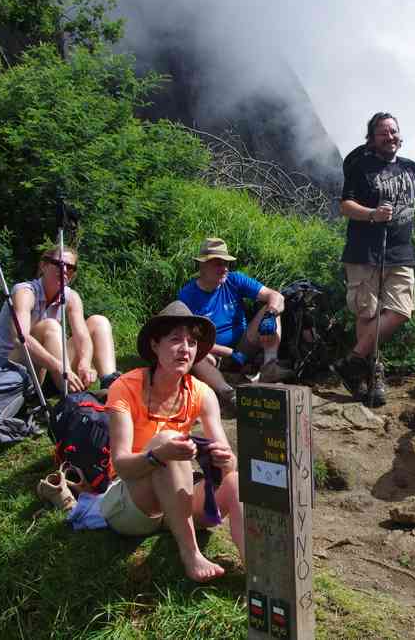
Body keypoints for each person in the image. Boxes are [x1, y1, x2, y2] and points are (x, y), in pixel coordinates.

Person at [101, 301, 244, 582]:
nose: (185, 349)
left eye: (191, 342)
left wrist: (225, 459)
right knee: (167, 442)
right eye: (175, 340)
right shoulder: (125, 387)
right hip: (132, 502)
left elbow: (229, 464)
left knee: (236, 481)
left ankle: (258, 574)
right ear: (155, 345)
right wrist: (158, 454)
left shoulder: (202, 393)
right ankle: (190, 553)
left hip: (176, 498)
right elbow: (121, 466)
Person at [330, 112, 415, 407]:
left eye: (394, 131)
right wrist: (372, 214)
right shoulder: (361, 166)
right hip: (364, 252)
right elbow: (345, 205)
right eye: (383, 133)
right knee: (367, 315)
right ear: (372, 137)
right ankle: (371, 376)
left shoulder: (408, 168)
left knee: (401, 310)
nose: (390, 137)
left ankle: (352, 362)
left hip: (400, 253)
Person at [178, 237, 293, 407]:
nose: (224, 268)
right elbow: (189, 339)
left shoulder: (235, 280)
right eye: (217, 263)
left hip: (244, 344)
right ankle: (228, 393)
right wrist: (229, 353)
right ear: (202, 266)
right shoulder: (188, 295)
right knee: (196, 355)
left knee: (270, 309)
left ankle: (270, 366)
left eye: (226, 263)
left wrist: (271, 314)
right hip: (212, 352)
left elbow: (276, 296)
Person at [0, 245, 119, 393]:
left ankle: (111, 386)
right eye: (58, 264)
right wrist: (59, 367)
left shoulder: (71, 297)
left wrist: (84, 363)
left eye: (70, 268)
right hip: (10, 370)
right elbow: (20, 338)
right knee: (51, 326)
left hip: (52, 370)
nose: (64, 270)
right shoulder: (25, 293)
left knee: (98, 322)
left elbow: (82, 337)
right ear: (43, 265)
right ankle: (73, 399)